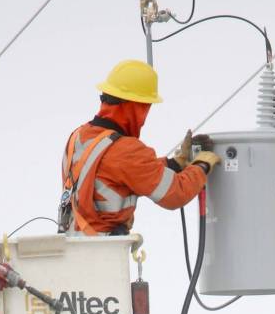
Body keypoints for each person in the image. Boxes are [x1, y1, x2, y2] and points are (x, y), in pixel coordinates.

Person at [60, 59, 221, 235]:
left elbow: (123, 171)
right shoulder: (126, 150)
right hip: (103, 254)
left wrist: (175, 164)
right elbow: (176, 193)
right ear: (136, 106)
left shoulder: (78, 136)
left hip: (72, 249)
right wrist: (201, 166)